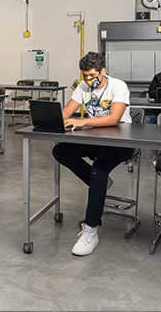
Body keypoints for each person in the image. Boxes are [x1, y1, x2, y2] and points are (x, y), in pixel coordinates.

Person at [52, 51, 133, 257]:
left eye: (92, 76)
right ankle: (100, 183)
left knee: (98, 171)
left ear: (103, 71)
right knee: (60, 150)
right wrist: (52, 120)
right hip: (96, 139)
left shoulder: (118, 86)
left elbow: (114, 118)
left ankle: (91, 230)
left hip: (121, 142)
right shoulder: (82, 86)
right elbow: (66, 112)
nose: (88, 80)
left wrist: (83, 122)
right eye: (85, 76)